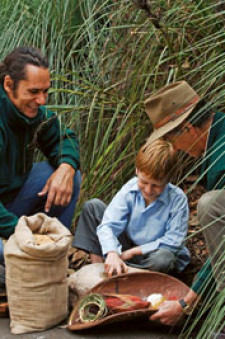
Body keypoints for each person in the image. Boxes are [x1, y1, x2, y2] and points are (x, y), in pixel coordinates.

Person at [143, 81, 225, 327]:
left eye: (171, 139)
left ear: (188, 128)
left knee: (210, 205)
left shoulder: (221, 162)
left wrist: (186, 303)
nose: (175, 149)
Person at [0, 47, 81, 286]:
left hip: (10, 201)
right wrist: (22, 233)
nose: (42, 100)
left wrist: (66, 167)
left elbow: (65, 138)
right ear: (8, 84)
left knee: (68, 176)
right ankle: (26, 259)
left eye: (45, 91)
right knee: (8, 260)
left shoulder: (32, 111)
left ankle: (50, 254)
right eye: (34, 92)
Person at [73, 139, 190, 277]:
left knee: (163, 258)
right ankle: (100, 271)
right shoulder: (130, 189)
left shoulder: (177, 199)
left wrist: (132, 252)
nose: (148, 190)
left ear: (168, 179)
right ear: (137, 170)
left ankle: (131, 275)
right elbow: (108, 225)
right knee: (93, 207)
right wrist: (112, 252)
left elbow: (173, 241)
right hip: (128, 244)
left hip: (153, 255)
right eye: (144, 182)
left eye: (156, 185)